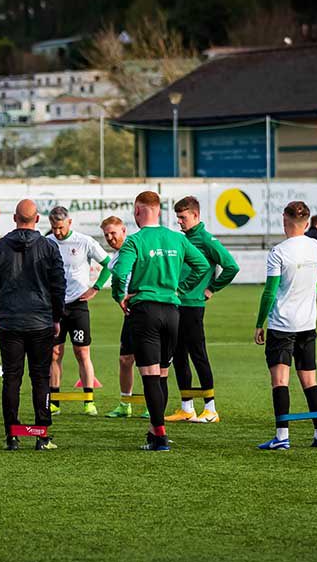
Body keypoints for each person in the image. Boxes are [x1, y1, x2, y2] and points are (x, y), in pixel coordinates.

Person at [110, 191, 210, 451]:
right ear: (159, 210)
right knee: (162, 374)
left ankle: (160, 437)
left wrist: (120, 296)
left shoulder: (134, 241)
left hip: (146, 311)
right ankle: (155, 432)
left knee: (150, 376)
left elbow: (120, 274)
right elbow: (202, 266)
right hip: (173, 312)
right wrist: (180, 288)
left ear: (137, 211)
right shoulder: (177, 238)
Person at [0, 199, 66, 450]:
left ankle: (12, 435)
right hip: (41, 321)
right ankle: (42, 435)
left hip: (10, 321)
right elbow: (58, 285)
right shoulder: (49, 247)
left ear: (14, 218)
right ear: (37, 219)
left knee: (11, 378)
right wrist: (56, 318)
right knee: (41, 378)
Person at [253, 201, 317, 450]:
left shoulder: (278, 252)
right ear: (306, 224)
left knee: (280, 381)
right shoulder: (315, 246)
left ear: (284, 221)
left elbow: (269, 291)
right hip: (307, 324)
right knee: (310, 381)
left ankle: (282, 436)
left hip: (282, 325)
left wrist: (259, 323)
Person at [166, 196, 238, 423]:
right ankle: (187, 408)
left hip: (193, 306)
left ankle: (211, 408)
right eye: (178, 217)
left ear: (195, 215)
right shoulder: (182, 239)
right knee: (179, 356)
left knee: (198, 355)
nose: (179, 221)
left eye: (183, 217)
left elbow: (231, 266)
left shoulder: (207, 240)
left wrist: (211, 288)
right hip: (177, 303)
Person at [47, 206, 112, 417]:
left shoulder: (84, 242)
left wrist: (96, 287)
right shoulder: (47, 243)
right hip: (55, 307)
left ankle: (88, 401)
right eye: (54, 228)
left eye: (60, 227)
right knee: (54, 353)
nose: (57, 232)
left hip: (78, 306)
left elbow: (109, 264)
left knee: (82, 352)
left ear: (69, 223)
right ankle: (54, 402)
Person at [100, 216, 148, 419]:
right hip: (130, 312)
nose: (110, 238)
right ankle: (125, 404)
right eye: (106, 235)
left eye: (113, 233)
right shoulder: (116, 256)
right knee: (125, 359)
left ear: (124, 231)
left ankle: (151, 405)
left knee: (147, 360)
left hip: (145, 309)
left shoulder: (135, 248)